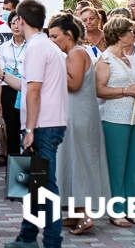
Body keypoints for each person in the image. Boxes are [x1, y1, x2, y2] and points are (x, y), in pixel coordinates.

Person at [0, 0, 68, 248]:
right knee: (33, 184)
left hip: (42, 125)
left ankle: (52, 240)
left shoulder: (36, 48)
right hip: (47, 122)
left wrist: (30, 129)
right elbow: (26, 85)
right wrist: (0, 73)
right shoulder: (46, 46)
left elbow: (33, 90)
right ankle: (26, 237)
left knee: (44, 185)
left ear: (22, 20)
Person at [49, 13, 110, 235]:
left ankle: (84, 215)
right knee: (73, 159)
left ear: (69, 34)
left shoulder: (75, 53)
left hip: (78, 115)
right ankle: (75, 213)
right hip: (78, 113)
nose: (52, 40)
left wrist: (51, 71)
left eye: (55, 36)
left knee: (79, 160)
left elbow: (73, 84)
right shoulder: (76, 52)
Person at [96, 16, 135, 227]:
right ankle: (117, 209)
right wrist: (124, 91)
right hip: (113, 117)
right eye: (132, 32)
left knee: (134, 165)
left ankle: (133, 206)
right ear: (120, 34)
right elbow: (99, 89)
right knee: (117, 165)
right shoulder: (105, 59)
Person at [0, 11, 26, 158]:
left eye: (19, 23)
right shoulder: (4, 47)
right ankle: (14, 164)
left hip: (26, 89)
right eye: (13, 23)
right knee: (12, 129)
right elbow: (0, 76)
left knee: (27, 127)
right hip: (9, 89)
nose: (16, 26)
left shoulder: (31, 45)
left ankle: (30, 164)